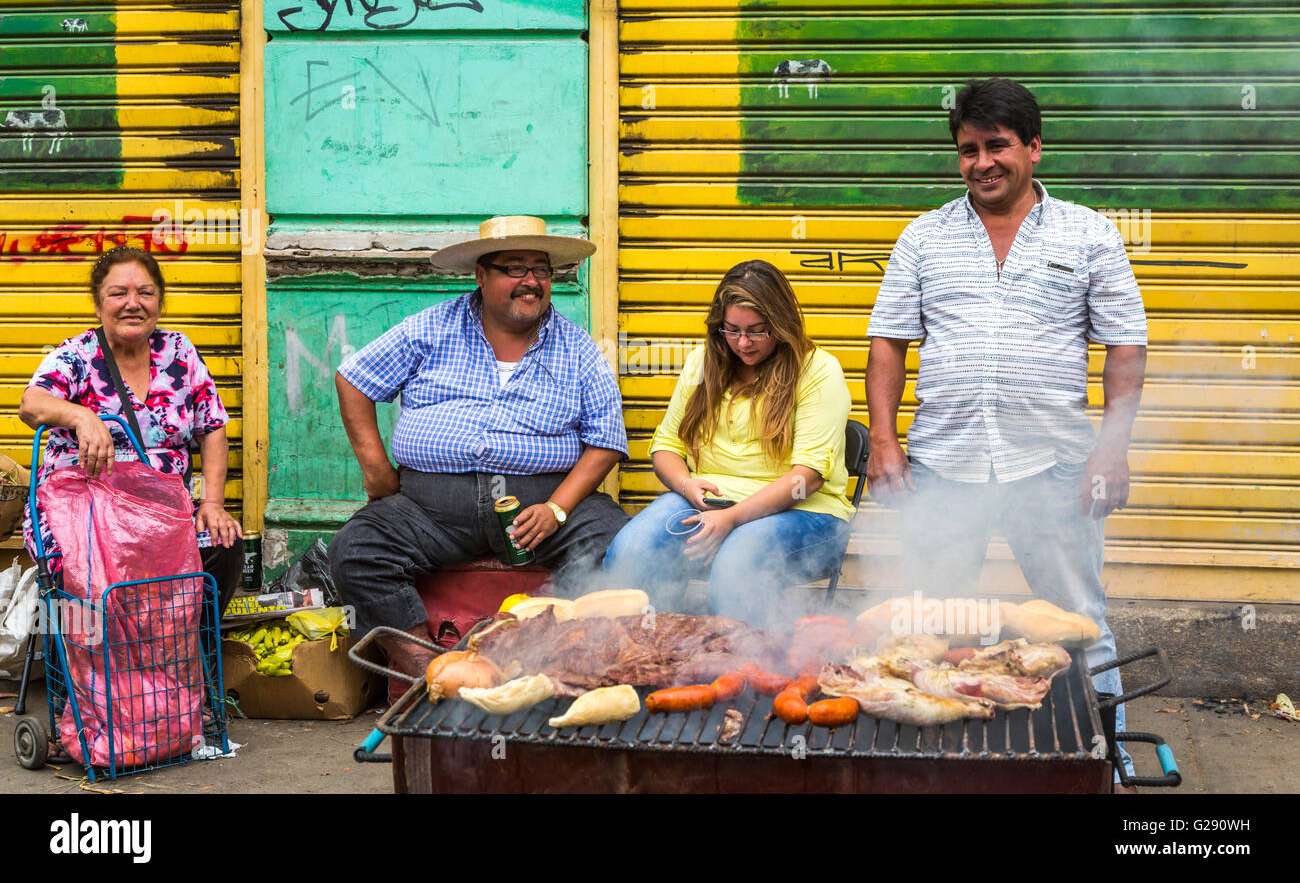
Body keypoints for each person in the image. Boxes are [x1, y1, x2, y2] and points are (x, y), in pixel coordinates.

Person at [865, 77, 1147, 785]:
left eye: (997, 146)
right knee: (930, 620)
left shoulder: (1089, 234)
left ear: (1033, 149)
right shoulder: (923, 236)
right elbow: (888, 345)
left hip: (1052, 465)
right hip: (944, 462)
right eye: (968, 150)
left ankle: (1106, 758)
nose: (982, 162)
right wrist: (885, 442)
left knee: (1079, 617)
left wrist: (1111, 447)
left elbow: (1125, 347)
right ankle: (931, 763)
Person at [328, 215, 631, 679]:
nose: (531, 281)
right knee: (357, 548)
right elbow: (354, 378)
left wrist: (557, 509)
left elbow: (606, 441)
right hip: (432, 512)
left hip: (540, 509)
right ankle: (425, 670)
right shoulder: (431, 328)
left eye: (541, 270)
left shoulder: (578, 347)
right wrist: (376, 471)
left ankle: (531, 656)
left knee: (613, 542)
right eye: (515, 268)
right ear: (481, 276)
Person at [603, 260, 853, 629]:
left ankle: (742, 671)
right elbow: (667, 446)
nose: (743, 343)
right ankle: (660, 653)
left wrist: (732, 519)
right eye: (731, 330)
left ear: (782, 325)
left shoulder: (818, 370)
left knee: (739, 561)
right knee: (630, 552)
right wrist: (686, 484)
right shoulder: (703, 364)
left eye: (757, 331)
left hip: (807, 512)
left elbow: (809, 477)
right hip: (712, 504)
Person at [18, 246, 244, 613]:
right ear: (98, 304)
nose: (132, 303)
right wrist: (82, 417)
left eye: (145, 293)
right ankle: (98, 665)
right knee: (84, 569)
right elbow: (32, 405)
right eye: (118, 293)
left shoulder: (180, 352)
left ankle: (184, 654)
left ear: (160, 301)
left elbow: (212, 428)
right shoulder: (76, 356)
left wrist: (213, 503)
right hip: (84, 516)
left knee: (224, 545)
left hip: (162, 514)